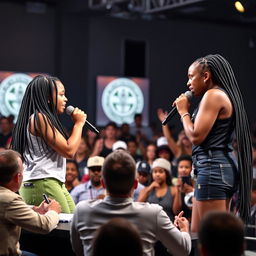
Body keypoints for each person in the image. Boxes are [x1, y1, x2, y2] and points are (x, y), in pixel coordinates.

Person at [173, 54, 252, 232]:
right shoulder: (217, 95)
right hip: (213, 169)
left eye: (191, 76)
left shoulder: (213, 95)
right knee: (197, 234)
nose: (188, 83)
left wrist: (183, 112)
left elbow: (195, 136)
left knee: (214, 239)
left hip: (213, 169)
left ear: (206, 76)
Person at [70, 150, 191, 256]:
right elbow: (183, 250)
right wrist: (184, 229)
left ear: (103, 183)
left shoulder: (82, 210)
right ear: (135, 184)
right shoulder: (153, 213)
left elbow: (79, 251)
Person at [10, 75, 87, 213]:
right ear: (48, 97)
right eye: (62, 94)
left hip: (51, 181)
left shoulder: (41, 118)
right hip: (43, 182)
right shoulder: (39, 118)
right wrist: (79, 124)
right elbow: (69, 151)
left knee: (73, 224)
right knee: (64, 230)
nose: (66, 99)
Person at [0, 150, 61, 256]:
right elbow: (44, 226)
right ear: (17, 177)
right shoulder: (9, 199)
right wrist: (53, 211)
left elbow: (6, 210)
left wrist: (33, 210)